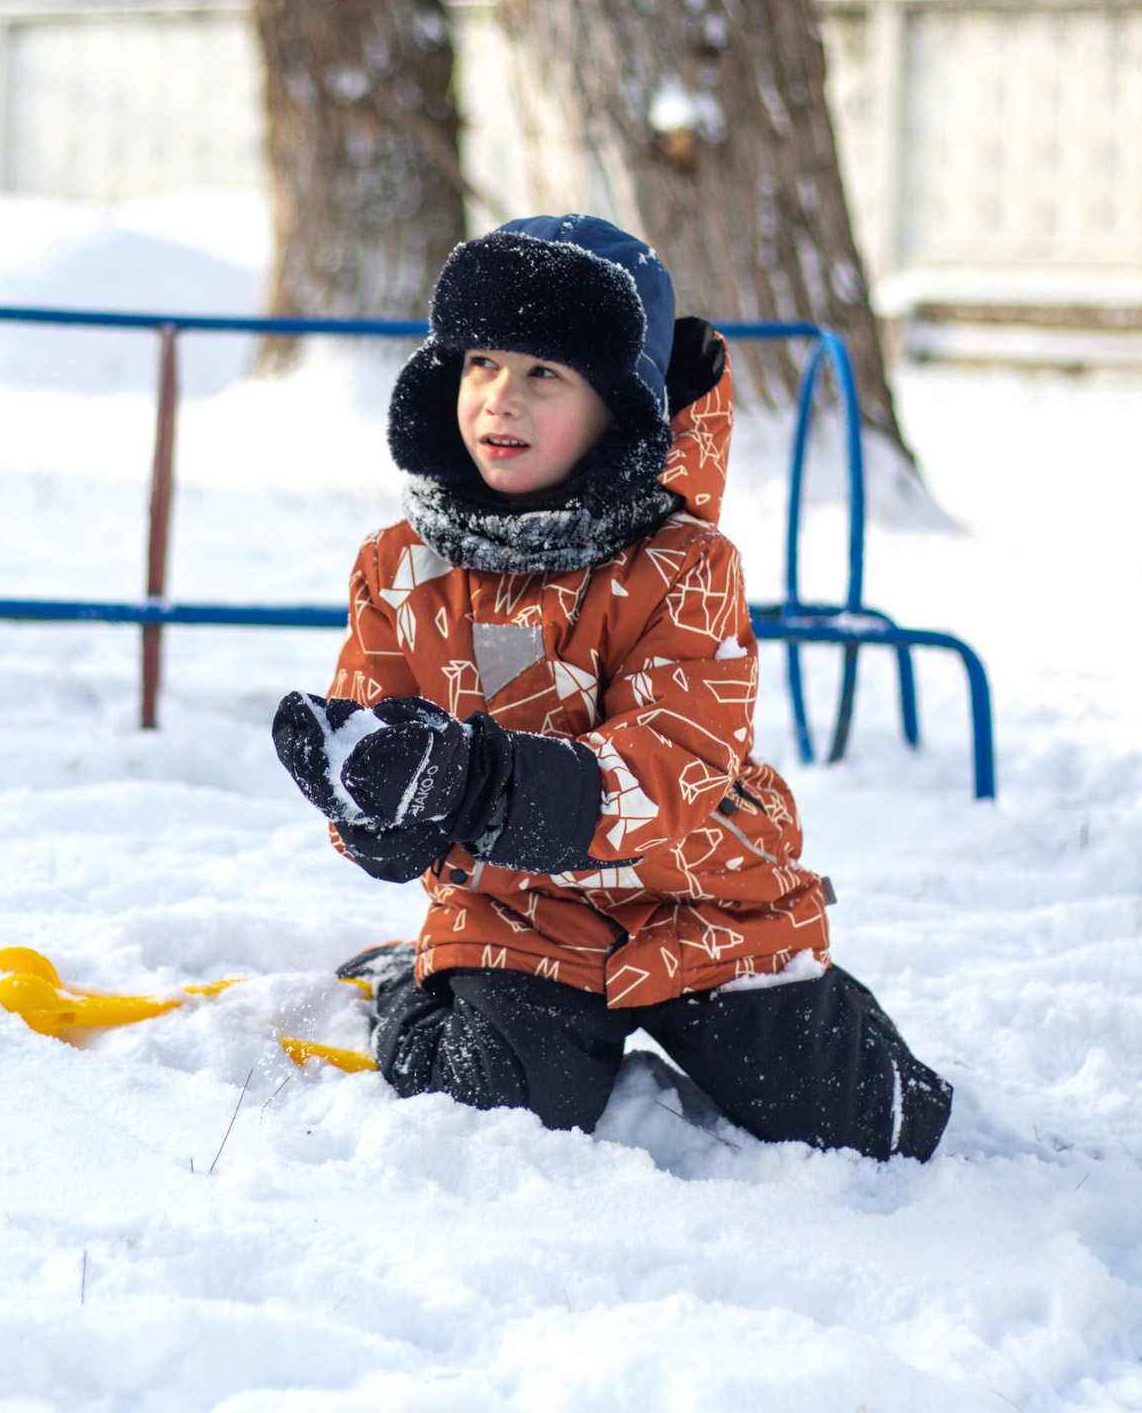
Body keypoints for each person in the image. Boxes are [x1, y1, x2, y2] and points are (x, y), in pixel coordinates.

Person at [270, 214, 950, 1164]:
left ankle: (824, 1028)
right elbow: (384, 743)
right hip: (516, 905)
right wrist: (376, 796)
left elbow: (672, 765)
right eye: (482, 365)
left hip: (698, 890)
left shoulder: (688, 567)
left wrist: (477, 781)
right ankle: (406, 983)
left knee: (868, 1126)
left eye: (545, 374)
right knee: (503, 1097)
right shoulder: (398, 566)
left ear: (622, 404)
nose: (501, 400)